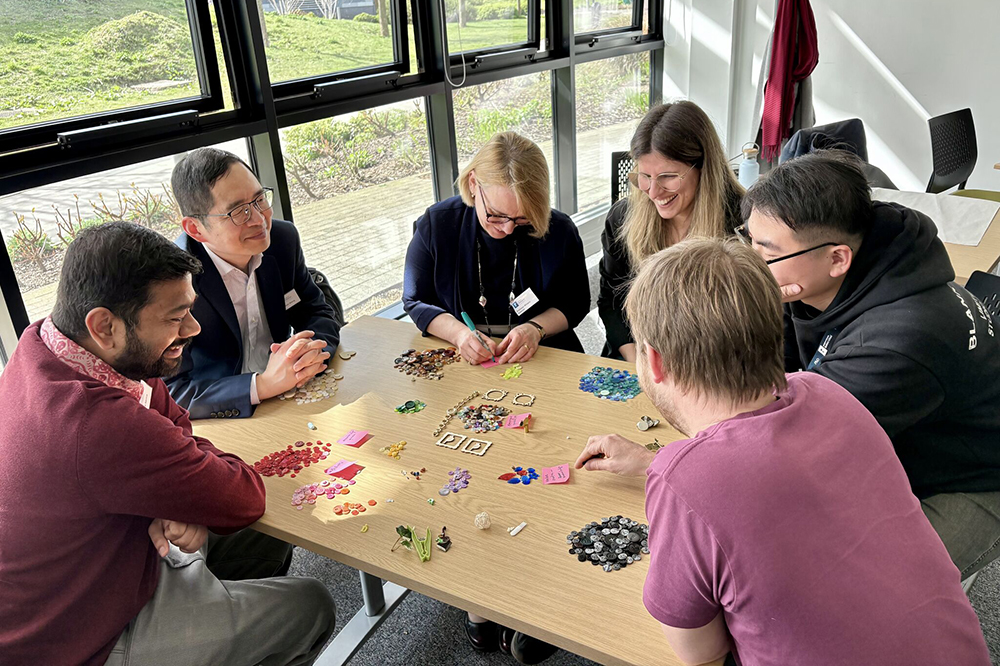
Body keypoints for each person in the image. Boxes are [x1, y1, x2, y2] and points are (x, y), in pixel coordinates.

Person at [574, 237, 989, 666]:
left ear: (655, 362)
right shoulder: (828, 392)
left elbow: (701, 652)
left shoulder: (685, 482)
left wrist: (669, 473)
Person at [0, 222, 336, 665]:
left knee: (259, 537)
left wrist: (178, 495)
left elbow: (171, 415)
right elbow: (243, 494)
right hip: (77, 638)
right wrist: (189, 491)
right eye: (176, 318)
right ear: (104, 326)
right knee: (310, 605)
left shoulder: (45, 342)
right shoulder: (94, 423)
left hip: (105, 564)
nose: (193, 328)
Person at [739, 150, 1000, 583]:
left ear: (837, 258)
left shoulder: (899, 341)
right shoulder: (811, 273)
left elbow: (794, 444)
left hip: (971, 478)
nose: (751, 262)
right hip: (901, 435)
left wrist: (667, 464)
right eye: (749, 239)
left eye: (765, 252)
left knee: (855, 592)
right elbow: (778, 369)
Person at [167, 147, 342, 420]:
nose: (260, 220)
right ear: (195, 229)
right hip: (222, 418)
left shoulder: (282, 241)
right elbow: (175, 393)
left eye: (260, 200)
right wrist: (262, 385)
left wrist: (310, 354)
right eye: (238, 212)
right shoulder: (173, 281)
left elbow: (316, 312)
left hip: (291, 396)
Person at [403, 131, 590, 367]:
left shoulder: (559, 229)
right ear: (473, 184)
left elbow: (576, 301)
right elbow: (416, 299)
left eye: (522, 218)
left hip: (545, 348)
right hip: (457, 351)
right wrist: (459, 335)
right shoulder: (438, 225)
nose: (508, 229)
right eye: (497, 215)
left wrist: (535, 329)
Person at [598, 100, 744, 360]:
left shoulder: (744, 223)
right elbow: (611, 302)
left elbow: (749, 322)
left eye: (667, 177)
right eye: (644, 176)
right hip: (638, 357)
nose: (653, 193)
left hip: (714, 364)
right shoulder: (623, 218)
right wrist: (640, 362)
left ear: (703, 167)